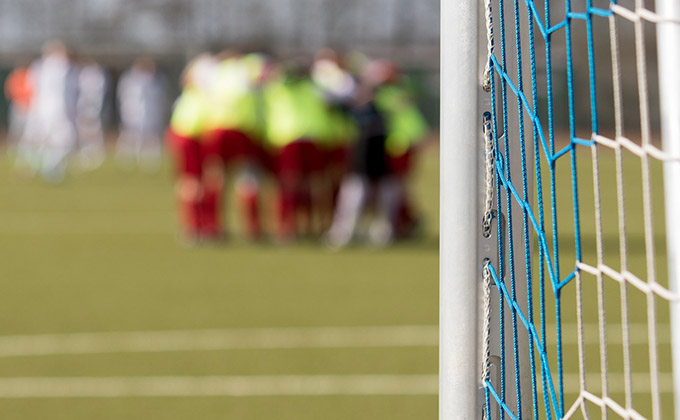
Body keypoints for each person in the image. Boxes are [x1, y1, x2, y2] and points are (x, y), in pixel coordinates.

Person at [200, 51, 266, 240]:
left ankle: (212, 226)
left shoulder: (213, 71)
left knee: (216, 178)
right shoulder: (246, 68)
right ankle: (252, 228)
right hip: (241, 128)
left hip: (216, 128)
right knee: (247, 179)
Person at [262, 60, 330, 241]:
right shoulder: (279, 86)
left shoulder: (313, 87)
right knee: (289, 184)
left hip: (310, 138)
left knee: (312, 185)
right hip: (288, 138)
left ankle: (310, 225)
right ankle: (287, 227)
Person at [166, 54, 215, 242]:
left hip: (195, 135)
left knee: (201, 182)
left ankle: (201, 225)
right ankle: (194, 227)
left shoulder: (193, 96)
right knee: (192, 182)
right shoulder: (198, 96)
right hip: (190, 135)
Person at [17, 40, 79, 183]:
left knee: (41, 140)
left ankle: (41, 165)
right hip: (55, 111)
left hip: (40, 109)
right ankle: (47, 167)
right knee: (66, 140)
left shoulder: (38, 66)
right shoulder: (58, 64)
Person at [116, 57, 167, 172]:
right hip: (132, 113)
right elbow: (123, 97)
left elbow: (159, 99)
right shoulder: (129, 80)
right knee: (129, 138)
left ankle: (150, 163)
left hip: (149, 115)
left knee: (150, 138)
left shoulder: (155, 81)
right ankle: (126, 162)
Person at [75, 59, 107, 170]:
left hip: (92, 109)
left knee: (94, 131)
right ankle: (86, 153)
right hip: (83, 108)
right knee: (84, 132)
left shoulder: (98, 79)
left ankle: (97, 152)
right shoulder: (83, 77)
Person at [4, 63, 33, 152]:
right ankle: (12, 149)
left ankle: (24, 149)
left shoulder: (30, 76)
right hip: (18, 106)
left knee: (28, 131)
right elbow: (9, 92)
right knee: (16, 130)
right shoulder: (14, 77)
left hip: (29, 108)